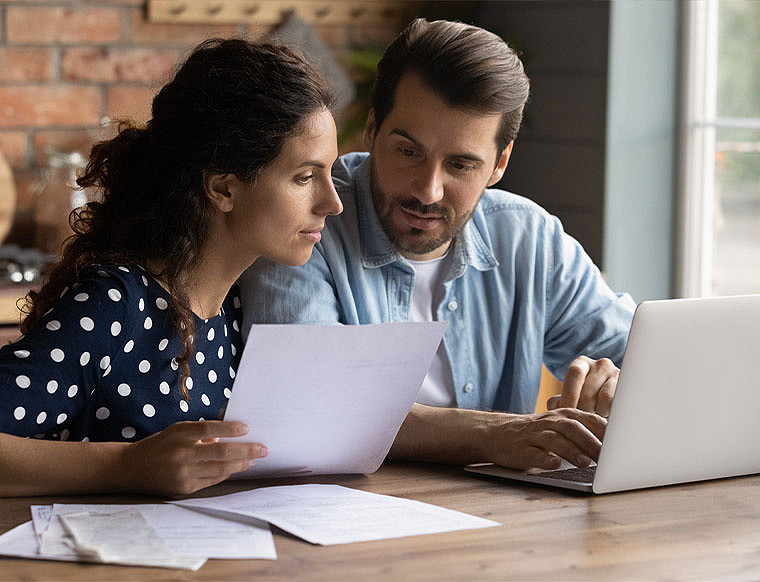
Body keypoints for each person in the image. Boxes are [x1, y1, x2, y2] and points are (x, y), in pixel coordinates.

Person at [239, 19, 636, 472]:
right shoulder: (307, 223)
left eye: (461, 165)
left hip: (503, 522)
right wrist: (494, 435)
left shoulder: (529, 238)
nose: (428, 191)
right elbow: (313, 404)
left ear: (499, 164)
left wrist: (621, 383)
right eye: (408, 152)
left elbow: (646, 357)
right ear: (372, 129)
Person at [0, 38, 342, 497]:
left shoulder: (236, 306)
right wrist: (125, 465)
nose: (332, 202)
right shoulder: (113, 306)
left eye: (330, 173)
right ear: (223, 189)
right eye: (304, 177)